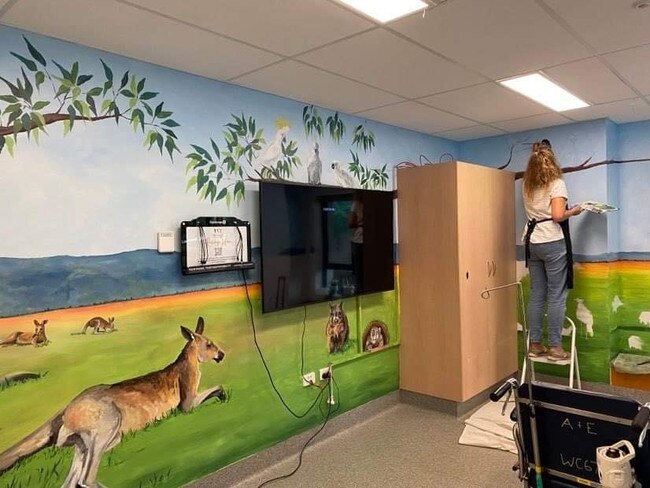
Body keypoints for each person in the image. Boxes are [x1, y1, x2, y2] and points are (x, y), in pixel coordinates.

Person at [522, 141, 583, 361]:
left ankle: (535, 344)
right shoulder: (557, 184)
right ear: (552, 163)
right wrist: (574, 211)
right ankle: (556, 348)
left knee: (537, 295)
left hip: (532, 242)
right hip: (552, 242)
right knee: (557, 295)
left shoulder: (527, 186)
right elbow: (558, 216)